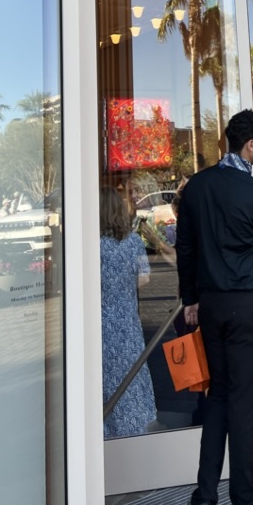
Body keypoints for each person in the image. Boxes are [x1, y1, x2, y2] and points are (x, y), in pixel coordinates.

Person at [176, 109, 253, 505]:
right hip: (245, 302)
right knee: (244, 407)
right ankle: (246, 501)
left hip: (210, 304)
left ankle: (204, 498)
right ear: (249, 144)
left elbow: (186, 248)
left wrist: (191, 298)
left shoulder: (197, 187)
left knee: (219, 398)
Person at [99, 186, 157, 440]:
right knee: (130, 378)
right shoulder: (133, 241)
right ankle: (133, 430)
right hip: (127, 322)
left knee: (104, 380)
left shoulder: (91, 246)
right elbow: (144, 278)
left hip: (100, 323)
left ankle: (106, 432)